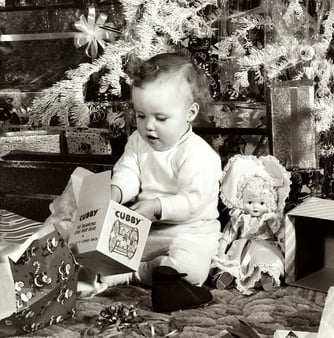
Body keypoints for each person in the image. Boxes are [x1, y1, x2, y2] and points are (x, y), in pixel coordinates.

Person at [101, 52, 222, 311]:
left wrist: (156, 207)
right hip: (147, 229)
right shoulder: (138, 141)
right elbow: (128, 171)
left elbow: (192, 202)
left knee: (192, 269)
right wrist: (116, 192)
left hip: (189, 232)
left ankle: (139, 274)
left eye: (161, 118)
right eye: (141, 116)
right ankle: (146, 270)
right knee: (104, 250)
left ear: (190, 113)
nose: (148, 127)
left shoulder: (199, 155)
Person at [211, 155, 290, 295]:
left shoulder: (269, 218)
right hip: (242, 247)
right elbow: (228, 235)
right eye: (249, 202)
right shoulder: (239, 218)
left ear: (270, 202)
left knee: (266, 259)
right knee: (233, 261)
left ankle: (267, 276)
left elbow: (279, 232)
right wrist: (221, 250)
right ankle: (227, 275)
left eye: (261, 203)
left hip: (265, 246)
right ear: (242, 200)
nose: (255, 207)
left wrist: (285, 242)